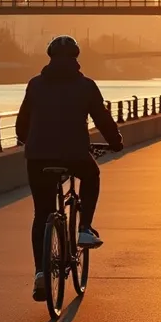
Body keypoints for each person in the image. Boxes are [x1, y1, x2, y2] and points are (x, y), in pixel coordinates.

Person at [16, 35, 124, 302]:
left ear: (50, 56)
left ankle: (41, 273)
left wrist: (26, 140)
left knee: (41, 213)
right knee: (92, 174)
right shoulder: (86, 86)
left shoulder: (35, 85)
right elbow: (102, 118)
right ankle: (85, 228)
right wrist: (116, 142)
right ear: (76, 57)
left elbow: (22, 123)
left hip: (38, 157)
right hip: (74, 154)